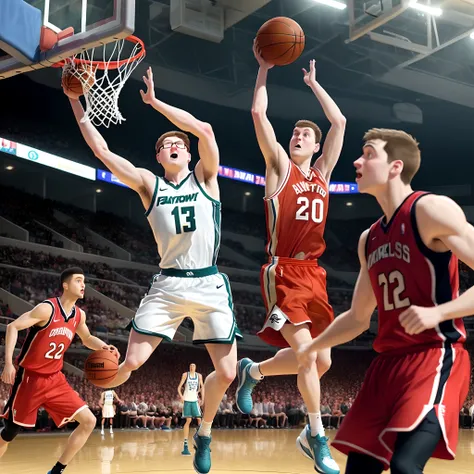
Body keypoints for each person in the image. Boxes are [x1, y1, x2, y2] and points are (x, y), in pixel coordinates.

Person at [64, 66, 242, 474]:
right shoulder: (149, 184)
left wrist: (155, 103)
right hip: (167, 285)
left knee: (227, 372)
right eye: (167, 145)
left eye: (180, 142)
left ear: (189, 152)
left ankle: (205, 433)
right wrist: (76, 100)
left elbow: (207, 131)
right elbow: (103, 152)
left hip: (209, 282)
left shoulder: (206, 178)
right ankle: (86, 408)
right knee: (128, 365)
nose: (176, 145)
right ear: (158, 157)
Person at [297, 128, 471, 474]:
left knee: (406, 466)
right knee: (359, 470)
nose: (357, 161)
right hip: (386, 366)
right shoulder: (369, 238)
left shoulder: (431, 209)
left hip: (433, 356)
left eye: (368, 153)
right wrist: (312, 346)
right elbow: (358, 317)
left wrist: (440, 312)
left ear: (395, 166)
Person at [235, 43, 345, 474]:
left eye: (305, 135)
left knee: (324, 360)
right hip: (282, 269)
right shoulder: (279, 165)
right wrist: (263, 71)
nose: (297, 136)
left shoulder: (323, 173)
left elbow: (339, 121)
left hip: (314, 273)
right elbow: (259, 116)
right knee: (305, 356)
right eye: (295, 133)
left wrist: (315, 85)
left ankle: (255, 372)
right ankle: (317, 437)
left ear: (317, 146)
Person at [0, 267, 119, 474]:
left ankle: (57, 470)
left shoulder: (79, 315)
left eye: (84, 282)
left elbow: (88, 338)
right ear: (65, 285)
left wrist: (104, 347)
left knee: (89, 421)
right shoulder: (47, 308)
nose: (83, 285)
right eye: (78, 280)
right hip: (30, 378)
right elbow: (12, 327)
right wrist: (9, 363)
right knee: (9, 432)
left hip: (55, 379)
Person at [177, 363, 204, 455]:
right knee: (188, 420)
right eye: (190, 366)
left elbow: (202, 387)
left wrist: (202, 399)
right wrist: (181, 397)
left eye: (193, 366)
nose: (191, 367)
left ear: (196, 367)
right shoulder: (185, 374)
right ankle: (185, 446)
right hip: (187, 400)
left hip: (195, 400)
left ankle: (201, 443)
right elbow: (179, 387)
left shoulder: (199, 376)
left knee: (199, 419)